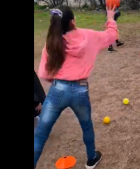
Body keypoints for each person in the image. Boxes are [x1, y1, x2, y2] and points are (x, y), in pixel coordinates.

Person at [34, 5, 118, 169]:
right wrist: (110, 18)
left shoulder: (51, 42)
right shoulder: (88, 36)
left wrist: (59, 83)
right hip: (80, 90)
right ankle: (91, 158)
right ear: (73, 21)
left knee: (41, 134)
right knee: (86, 125)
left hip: (58, 90)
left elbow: (44, 73)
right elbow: (112, 35)